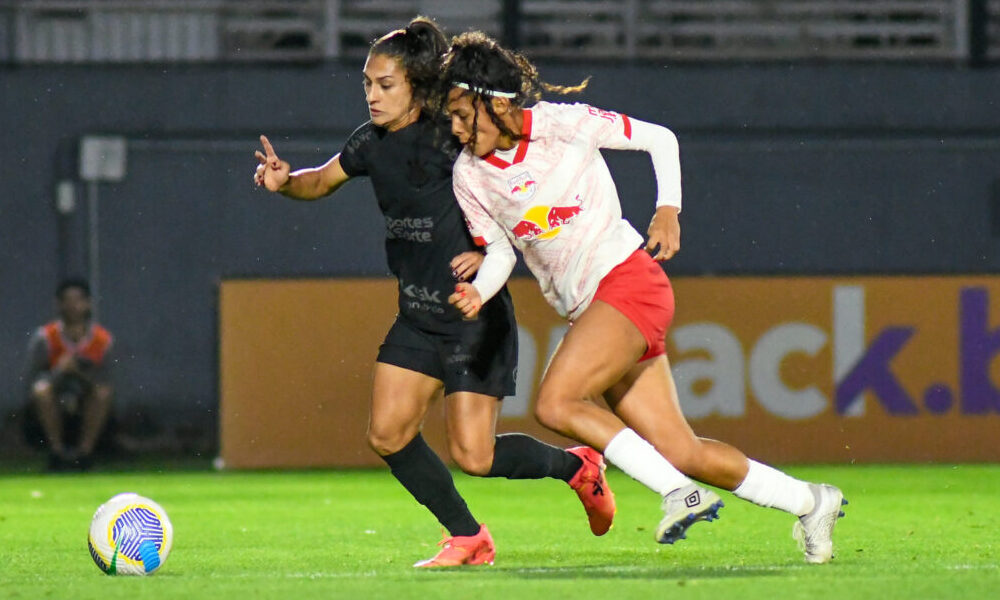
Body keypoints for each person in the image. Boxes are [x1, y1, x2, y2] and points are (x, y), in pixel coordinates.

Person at [440, 31, 847, 564]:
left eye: (459, 113)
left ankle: (678, 493)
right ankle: (811, 500)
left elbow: (660, 138)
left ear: (493, 102)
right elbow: (499, 252)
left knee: (556, 403)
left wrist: (668, 208)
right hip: (596, 309)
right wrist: (479, 290)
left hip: (628, 282)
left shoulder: (565, 126)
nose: (454, 127)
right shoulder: (469, 175)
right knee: (684, 451)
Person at [252, 17, 614, 568]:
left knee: (476, 455)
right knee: (388, 435)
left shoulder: (457, 132)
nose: (372, 95)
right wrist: (286, 182)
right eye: (367, 84)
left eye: (385, 85)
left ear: (417, 87)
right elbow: (321, 180)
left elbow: (514, 177)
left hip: (474, 315)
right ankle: (469, 537)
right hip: (418, 314)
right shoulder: (370, 143)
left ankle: (578, 467)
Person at [23, 278, 115, 471]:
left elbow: (106, 380)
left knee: (102, 393)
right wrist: (60, 371)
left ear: (88, 303)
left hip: (86, 395)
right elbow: (31, 379)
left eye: (78, 300)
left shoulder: (101, 339)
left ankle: (84, 453)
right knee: (42, 391)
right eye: (67, 300)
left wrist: (80, 373)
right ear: (59, 304)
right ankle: (57, 452)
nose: (73, 306)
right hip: (56, 394)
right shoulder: (46, 337)